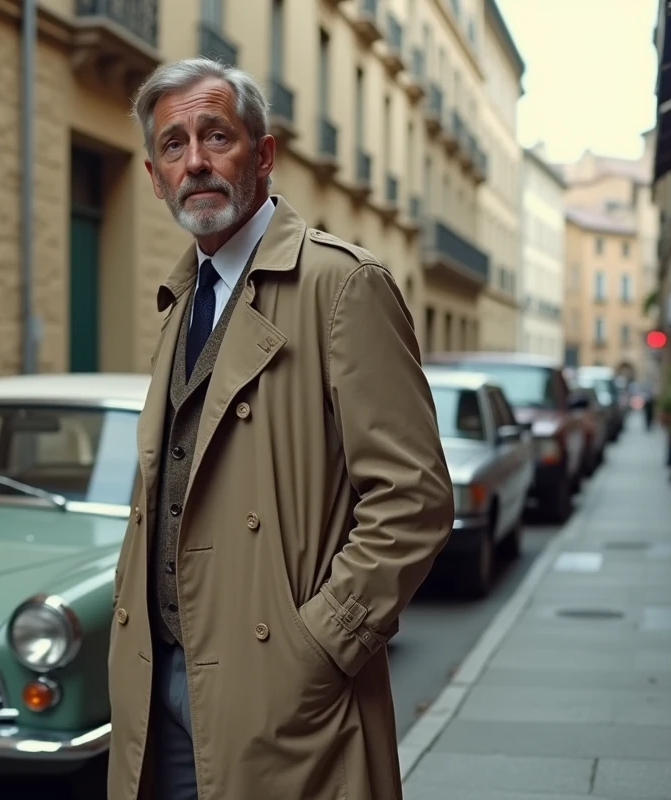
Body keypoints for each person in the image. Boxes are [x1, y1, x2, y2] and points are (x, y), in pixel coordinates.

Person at [107, 58, 455, 800]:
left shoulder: (343, 285)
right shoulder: (182, 298)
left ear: (262, 155)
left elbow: (413, 499)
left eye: (216, 136)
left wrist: (320, 645)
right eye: (173, 146)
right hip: (157, 690)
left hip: (280, 695)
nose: (195, 162)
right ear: (155, 176)